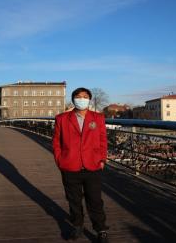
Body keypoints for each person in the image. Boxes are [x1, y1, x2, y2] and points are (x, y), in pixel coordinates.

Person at [52, 87, 109, 242]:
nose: (82, 99)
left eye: (85, 96)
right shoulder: (62, 118)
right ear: (73, 99)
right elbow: (56, 142)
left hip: (93, 165)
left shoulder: (98, 118)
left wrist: (102, 159)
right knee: (73, 200)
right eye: (78, 96)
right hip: (70, 165)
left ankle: (101, 229)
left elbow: (103, 140)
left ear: (89, 99)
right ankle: (77, 225)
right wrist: (60, 160)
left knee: (95, 200)